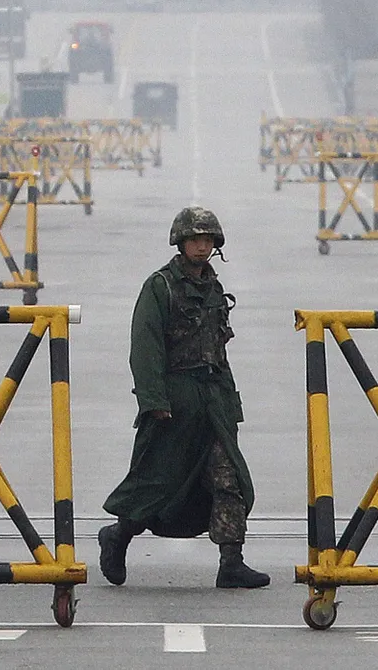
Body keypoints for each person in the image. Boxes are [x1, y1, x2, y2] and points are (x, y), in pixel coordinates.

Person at [99, 206, 270, 589]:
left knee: (229, 480)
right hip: (175, 404)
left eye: (208, 240)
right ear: (181, 242)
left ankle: (231, 562)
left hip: (213, 403)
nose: (202, 246)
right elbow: (145, 347)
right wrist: (154, 400)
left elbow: (218, 350)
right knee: (157, 483)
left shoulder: (212, 288)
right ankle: (119, 535)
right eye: (195, 239)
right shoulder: (159, 286)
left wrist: (228, 403)